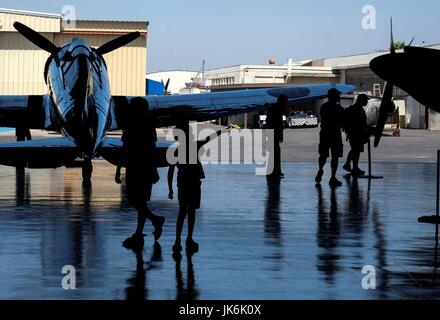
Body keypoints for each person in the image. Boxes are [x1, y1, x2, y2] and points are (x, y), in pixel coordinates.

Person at [122, 97, 165, 250]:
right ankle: (146, 226)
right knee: (140, 201)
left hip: (135, 167)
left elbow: (125, 148)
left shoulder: (130, 125)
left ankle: (149, 225)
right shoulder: (148, 125)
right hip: (144, 167)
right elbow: (151, 148)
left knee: (135, 200)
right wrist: (154, 169)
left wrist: (119, 168)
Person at [315, 88, 346, 188]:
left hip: (324, 133)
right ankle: (332, 177)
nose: (339, 97)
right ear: (334, 96)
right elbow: (343, 121)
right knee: (335, 156)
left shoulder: (324, 106)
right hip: (335, 134)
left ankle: (320, 169)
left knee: (323, 154)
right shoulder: (338, 108)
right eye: (337, 95)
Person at [343, 94, 369, 176]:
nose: (367, 102)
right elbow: (357, 123)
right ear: (361, 100)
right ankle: (351, 166)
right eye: (366, 100)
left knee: (356, 150)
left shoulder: (357, 109)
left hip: (356, 133)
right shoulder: (356, 109)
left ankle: (353, 166)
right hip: (355, 133)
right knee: (355, 150)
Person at [266, 95, 287, 178]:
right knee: (275, 153)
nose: (286, 103)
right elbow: (277, 123)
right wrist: (279, 134)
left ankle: (275, 171)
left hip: (273, 134)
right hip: (273, 134)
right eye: (285, 101)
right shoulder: (276, 109)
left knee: (274, 153)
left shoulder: (274, 108)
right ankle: (274, 171)